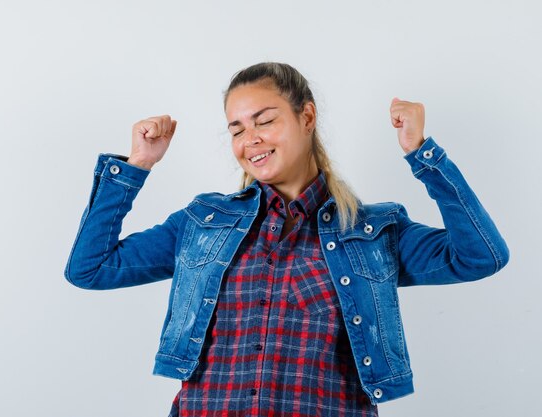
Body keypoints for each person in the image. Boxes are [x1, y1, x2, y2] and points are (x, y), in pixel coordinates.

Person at [64, 62, 509, 416]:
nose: (249, 139)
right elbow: (90, 268)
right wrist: (137, 165)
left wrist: (422, 154)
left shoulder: (373, 233)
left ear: (307, 116)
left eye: (264, 121)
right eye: (237, 128)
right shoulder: (203, 224)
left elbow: (481, 256)